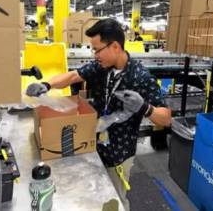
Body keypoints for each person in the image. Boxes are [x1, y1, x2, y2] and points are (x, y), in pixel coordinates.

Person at [26, 18, 171, 211]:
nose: (95, 55)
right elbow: (73, 76)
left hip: (118, 154)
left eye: (97, 49)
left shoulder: (140, 77)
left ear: (115, 47)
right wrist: (46, 85)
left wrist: (145, 107)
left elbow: (166, 118)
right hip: (93, 147)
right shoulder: (102, 67)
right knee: (93, 198)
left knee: (115, 202)